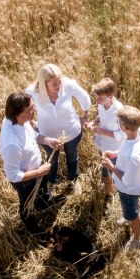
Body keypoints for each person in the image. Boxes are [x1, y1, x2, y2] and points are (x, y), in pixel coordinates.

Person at [0, 92, 58, 235]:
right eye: (31, 109)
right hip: (26, 181)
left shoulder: (19, 121)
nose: (35, 110)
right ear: (19, 114)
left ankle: (42, 204)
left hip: (37, 168)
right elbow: (13, 176)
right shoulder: (11, 143)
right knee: (27, 206)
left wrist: (47, 140)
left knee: (42, 190)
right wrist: (39, 172)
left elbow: (32, 136)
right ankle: (34, 230)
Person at [26, 64, 91, 195]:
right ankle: (52, 183)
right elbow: (25, 108)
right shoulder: (32, 92)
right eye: (54, 83)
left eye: (60, 81)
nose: (58, 85)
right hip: (47, 134)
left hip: (71, 131)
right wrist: (32, 122)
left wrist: (85, 116)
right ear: (44, 83)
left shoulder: (68, 85)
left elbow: (84, 97)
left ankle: (73, 180)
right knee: (52, 159)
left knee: (72, 156)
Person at [101, 105, 140, 251]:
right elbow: (127, 147)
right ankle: (127, 216)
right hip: (128, 184)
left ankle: (137, 239)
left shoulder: (134, 157)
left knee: (133, 214)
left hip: (129, 190)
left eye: (119, 123)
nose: (118, 124)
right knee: (128, 210)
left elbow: (127, 180)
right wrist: (116, 153)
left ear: (125, 128)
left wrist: (111, 167)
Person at [84, 78, 125, 200]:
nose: (97, 100)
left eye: (99, 98)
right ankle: (111, 189)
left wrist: (103, 132)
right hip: (101, 143)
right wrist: (94, 121)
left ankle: (110, 195)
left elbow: (122, 134)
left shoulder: (119, 111)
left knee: (108, 172)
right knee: (107, 170)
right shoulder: (102, 104)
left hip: (113, 149)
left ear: (111, 96)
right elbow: (101, 115)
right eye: (96, 97)